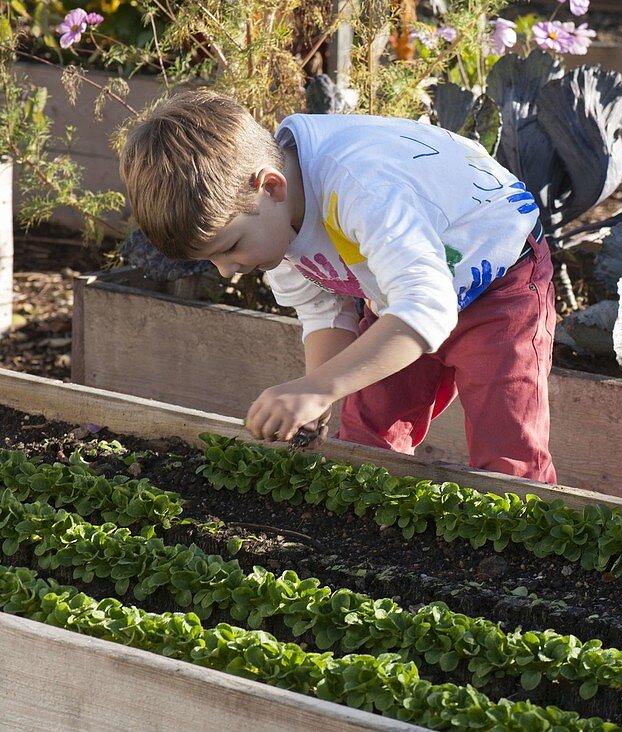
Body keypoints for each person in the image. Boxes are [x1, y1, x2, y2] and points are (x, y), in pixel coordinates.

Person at [119, 90, 556, 483]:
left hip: (501, 282)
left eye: (230, 247)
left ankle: (530, 561)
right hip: (404, 296)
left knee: (507, 452)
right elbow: (322, 309)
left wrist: (316, 388)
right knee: (365, 438)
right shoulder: (276, 219)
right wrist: (318, 397)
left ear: (270, 186)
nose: (227, 271)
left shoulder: (360, 186)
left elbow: (427, 307)